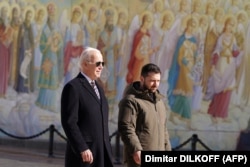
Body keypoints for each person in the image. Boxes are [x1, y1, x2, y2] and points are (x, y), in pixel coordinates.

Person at [61, 47, 114, 167]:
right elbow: (69, 122)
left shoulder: (99, 88)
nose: (101, 67)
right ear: (85, 64)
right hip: (84, 155)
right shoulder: (73, 88)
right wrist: (82, 147)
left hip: (102, 153)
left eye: (103, 63)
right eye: (98, 63)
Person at [118, 63, 172, 167]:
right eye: (152, 81)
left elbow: (164, 130)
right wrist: (136, 150)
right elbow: (126, 128)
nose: (156, 84)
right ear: (142, 79)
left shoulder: (159, 102)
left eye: (158, 81)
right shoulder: (131, 101)